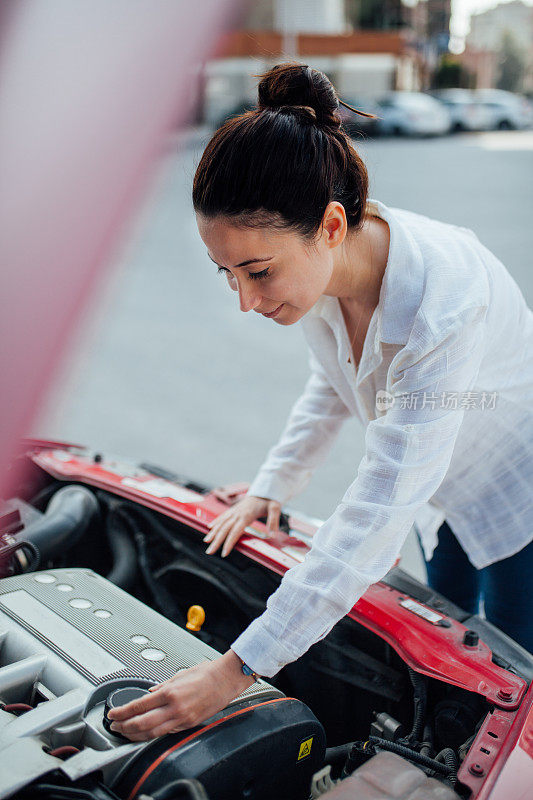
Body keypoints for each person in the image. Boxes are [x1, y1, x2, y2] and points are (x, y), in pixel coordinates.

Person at [107, 62, 533, 742]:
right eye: (227, 272)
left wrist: (235, 669)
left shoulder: (445, 304)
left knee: (507, 693)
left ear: (330, 226)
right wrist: (270, 486)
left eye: (257, 271)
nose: (244, 300)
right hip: (439, 493)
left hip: (514, 493)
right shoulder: (322, 272)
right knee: (442, 660)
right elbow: (330, 387)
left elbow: (376, 510)